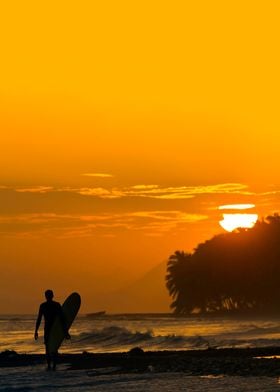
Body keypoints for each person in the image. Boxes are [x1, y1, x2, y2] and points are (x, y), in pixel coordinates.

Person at [34, 289, 70, 370]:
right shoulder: (56, 305)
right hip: (54, 329)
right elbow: (62, 319)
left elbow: (39, 319)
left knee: (48, 347)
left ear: (46, 296)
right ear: (52, 296)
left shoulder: (43, 305)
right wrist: (66, 331)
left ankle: (50, 366)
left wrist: (36, 331)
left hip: (48, 329)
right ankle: (53, 366)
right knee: (54, 347)